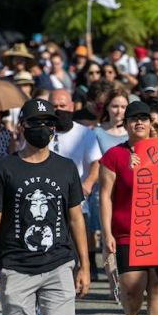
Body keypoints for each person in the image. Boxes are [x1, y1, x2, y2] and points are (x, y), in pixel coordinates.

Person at [0, 98, 89, 315]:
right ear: (22, 126)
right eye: (35, 122)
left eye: (48, 122)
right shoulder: (4, 168)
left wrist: (83, 265)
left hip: (59, 263)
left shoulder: (66, 167)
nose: (42, 127)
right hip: (16, 265)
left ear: (55, 128)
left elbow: (75, 218)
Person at [99, 102, 158, 315]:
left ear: (151, 123)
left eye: (144, 118)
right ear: (125, 123)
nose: (139, 123)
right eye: (133, 119)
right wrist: (106, 232)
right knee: (131, 286)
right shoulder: (113, 156)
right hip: (128, 230)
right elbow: (105, 196)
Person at [48, 89, 102, 279]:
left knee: (79, 238)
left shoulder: (85, 134)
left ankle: (84, 267)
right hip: (48, 200)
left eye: (63, 106)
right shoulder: (42, 133)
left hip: (77, 199)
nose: (59, 110)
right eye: (54, 106)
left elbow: (96, 161)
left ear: (71, 107)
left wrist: (88, 183)